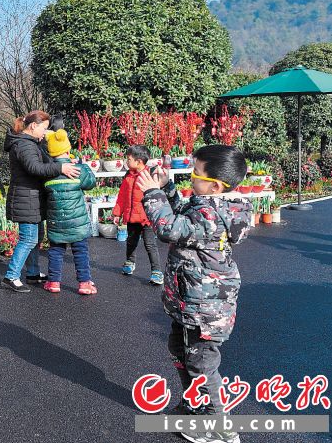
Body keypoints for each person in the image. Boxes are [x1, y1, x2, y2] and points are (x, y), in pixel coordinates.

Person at [137, 145, 252, 443]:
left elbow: (170, 228)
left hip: (203, 307)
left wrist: (152, 193)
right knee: (180, 348)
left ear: (215, 185)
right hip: (193, 301)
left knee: (201, 364)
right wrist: (168, 188)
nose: (191, 178)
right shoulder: (211, 204)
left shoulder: (211, 214)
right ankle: (194, 406)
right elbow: (185, 215)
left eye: (195, 174)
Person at [2, 111, 80, 292]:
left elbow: (45, 162)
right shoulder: (23, 145)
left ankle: (32, 272)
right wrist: (60, 167)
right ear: (33, 126)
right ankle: (11, 276)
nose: (46, 133)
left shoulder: (31, 144)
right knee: (28, 239)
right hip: (25, 198)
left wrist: (64, 160)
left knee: (36, 238)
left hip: (32, 198)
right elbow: (35, 168)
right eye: (44, 128)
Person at [42, 129, 97, 294]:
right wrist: (83, 166)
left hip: (56, 221)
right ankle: (84, 283)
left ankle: (53, 282)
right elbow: (91, 183)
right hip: (77, 222)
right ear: (68, 149)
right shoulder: (78, 170)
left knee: (56, 251)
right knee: (80, 252)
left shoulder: (48, 173)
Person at [112, 145, 163, 285]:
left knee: (150, 244)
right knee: (131, 241)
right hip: (132, 217)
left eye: (128, 159)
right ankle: (130, 262)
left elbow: (156, 196)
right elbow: (122, 196)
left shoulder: (150, 175)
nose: (126, 162)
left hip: (147, 218)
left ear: (139, 161)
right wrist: (117, 213)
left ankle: (157, 271)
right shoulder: (128, 176)